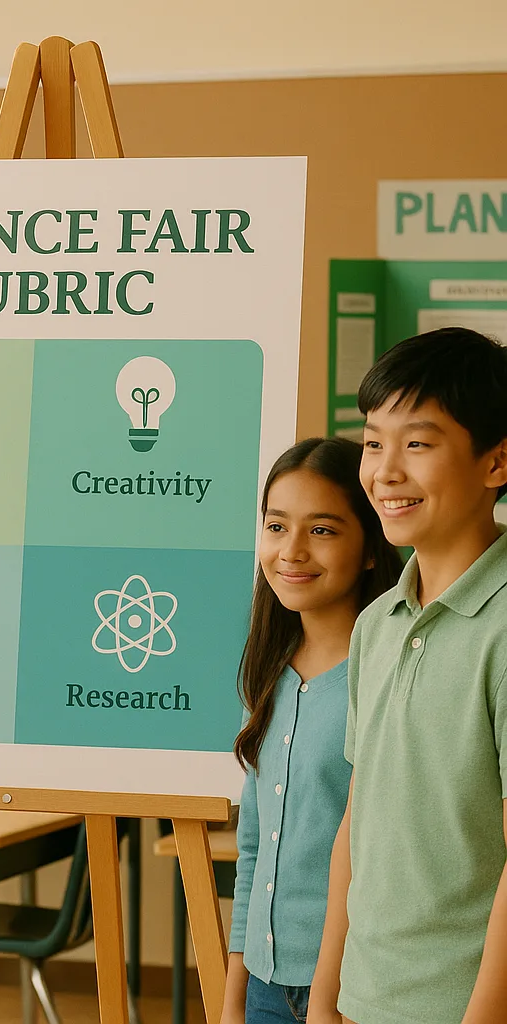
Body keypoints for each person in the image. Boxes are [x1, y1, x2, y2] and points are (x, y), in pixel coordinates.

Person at [308, 327, 507, 1024]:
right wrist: (327, 998)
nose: (384, 471)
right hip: (364, 1000)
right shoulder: (376, 624)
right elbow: (358, 821)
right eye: (372, 442)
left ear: (497, 461)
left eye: (417, 444)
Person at [222, 437, 401, 1024]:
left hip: (354, 993)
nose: (291, 551)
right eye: (277, 527)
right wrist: (235, 999)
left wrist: (327, 1003)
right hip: (265, 989)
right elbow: (253, 850)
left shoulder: (386, 676)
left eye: (321, 530)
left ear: (371, 548)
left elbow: (381, 862)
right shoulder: (268, 672)